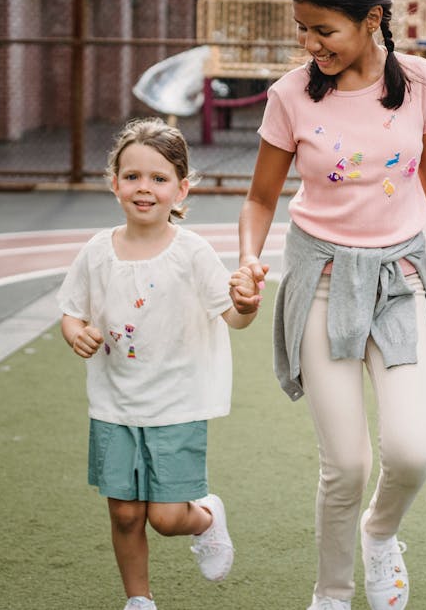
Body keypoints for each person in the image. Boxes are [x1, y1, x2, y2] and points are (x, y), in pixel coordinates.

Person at [228, 0, 426, 610]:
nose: (311, 43)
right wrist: (250, 256)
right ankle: (332, 594)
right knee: (344, 465)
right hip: (319, 278)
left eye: (324, 29)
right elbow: (260, 199)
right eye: (304, 29)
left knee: (411, 452)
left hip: (399, 280)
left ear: (372, 19)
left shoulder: (423, 83)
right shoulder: (291, 95)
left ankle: (380, 533)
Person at [58, 117, 258, 610]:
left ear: (181, 188)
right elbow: (71, 310)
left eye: (158, 178)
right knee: (125, 514)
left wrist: (247, 303)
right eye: (132, 176)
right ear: (114, 183)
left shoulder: (192, 253)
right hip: (115, 404)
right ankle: (139, 600)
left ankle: (207, 516)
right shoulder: (97, 252)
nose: (144, 188)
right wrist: (76, 334)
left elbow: (233, 316)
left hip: (177, 403)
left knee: (167, 518)